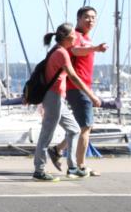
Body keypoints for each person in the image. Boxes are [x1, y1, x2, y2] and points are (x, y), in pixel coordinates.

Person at [33, 23, 102, 181]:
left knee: (74, 130)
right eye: (74, 36)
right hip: (53, 97)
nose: (76, 38)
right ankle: (39, 170)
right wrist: (92, 96)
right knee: (47, 134)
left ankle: (72, 168)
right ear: (67, 37)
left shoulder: (59, 50)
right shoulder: (61, 53)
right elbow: (74, 77)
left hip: (58, 97)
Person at [48, 6, 108, 176]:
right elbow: (75, 50)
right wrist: (95, 48)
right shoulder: (76, 35)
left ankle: (57, 150)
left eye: (94, 17)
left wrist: (93, 47)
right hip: (77, 87)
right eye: (87, 17)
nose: (91, 20)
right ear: (79, 19)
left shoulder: (87, 38)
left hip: (83, 86)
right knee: (85, 127)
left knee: (80, 127)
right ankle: (80, 166)